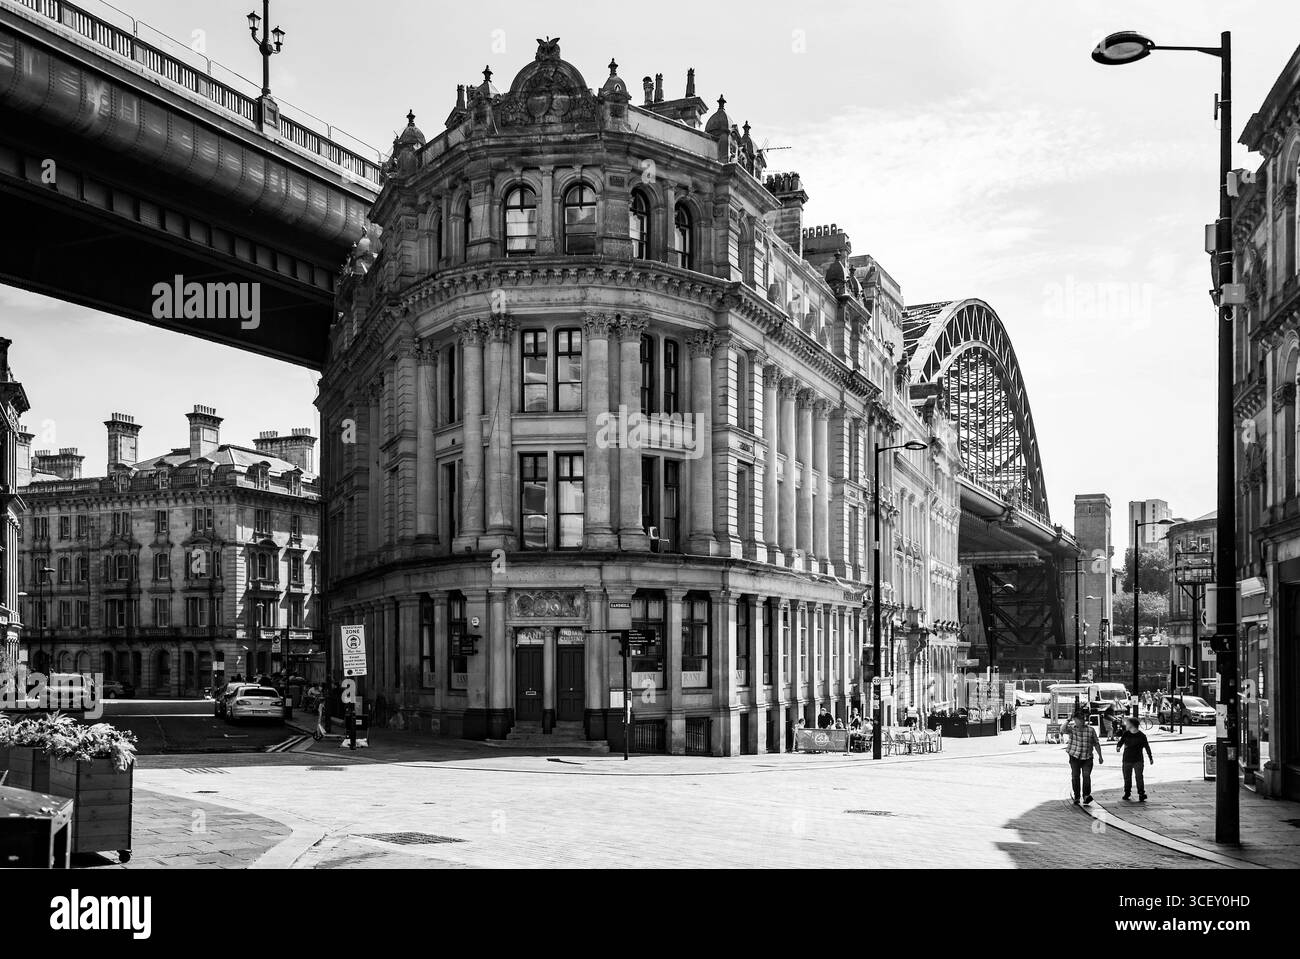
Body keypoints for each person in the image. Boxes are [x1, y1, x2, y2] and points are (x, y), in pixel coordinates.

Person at [1062, 707, 1104, 805]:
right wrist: (1068, 720)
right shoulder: (1072, 729)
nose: (1081, 721)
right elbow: (1062, 730)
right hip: (1074, 757)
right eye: (1079, 720)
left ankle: (1086, 795)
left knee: (1086, 776)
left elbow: (1096, 743)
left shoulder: (1090, 730)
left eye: (1082, 719)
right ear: (1075, 720)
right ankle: (1077, 796)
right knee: (1075, 776)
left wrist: (1100, 756)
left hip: (1087, 757)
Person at [1115, 716, 1154, 802]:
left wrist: (1150, 757)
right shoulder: (1126, 734)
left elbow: (1147, 747)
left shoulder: (1142, 736)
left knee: (1139, 777)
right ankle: (1127, 793)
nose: (1126, 725)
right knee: (1127, 777)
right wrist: (1118, 747)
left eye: (1127, 724)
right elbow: (1121, 742)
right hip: (1127, 759)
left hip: (1138, 759)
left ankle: (1141, 794)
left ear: (1132, 725)